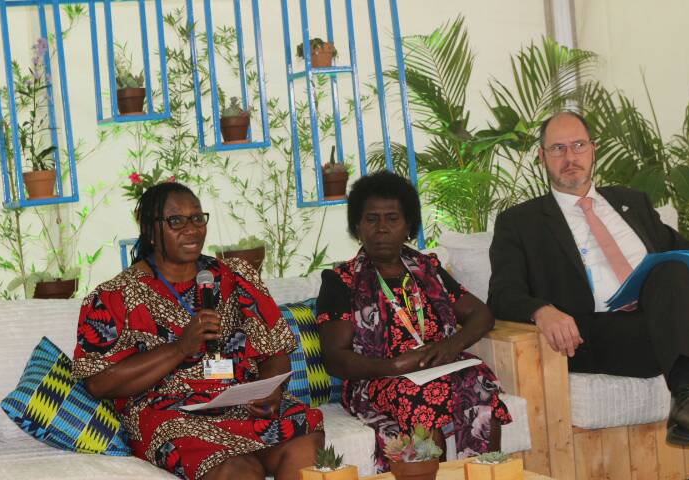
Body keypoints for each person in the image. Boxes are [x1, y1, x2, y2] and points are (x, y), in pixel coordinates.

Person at [487, 111, 689, 474]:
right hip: (596, 334)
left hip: (659, 322)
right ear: (542, 157)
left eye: (578, 145)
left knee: (671, 268)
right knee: (685, 329)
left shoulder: (633, 202)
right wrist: (542, 310)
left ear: (593, 150)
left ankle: (688, 393)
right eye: (558, 148)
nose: (570, 157)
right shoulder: (521, 222)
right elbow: (502, 293)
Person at [72, 182, 324, 480]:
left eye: (197, 218)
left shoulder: (236, 277)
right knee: (239, 469)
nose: (191, 228)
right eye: (176, 221)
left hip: (240, 402)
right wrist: (179, 348)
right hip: (170, 413)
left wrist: (270, 389)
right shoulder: (115, 295)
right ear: (151, 231)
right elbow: (99, 383)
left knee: (304, 435)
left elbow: (275, 351)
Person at [316, 170, 511, 472]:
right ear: (358, 226)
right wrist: (393, 367)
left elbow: (481, 314)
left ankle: (484, 474)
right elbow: (335, 358)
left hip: (440, 366)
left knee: (479, 382)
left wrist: (451, 345)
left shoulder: (427, 268)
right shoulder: (341, 280)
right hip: (379, 378)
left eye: (392, 218)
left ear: (408, 226)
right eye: (371, 219)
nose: (381, 228)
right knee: (422, 397)